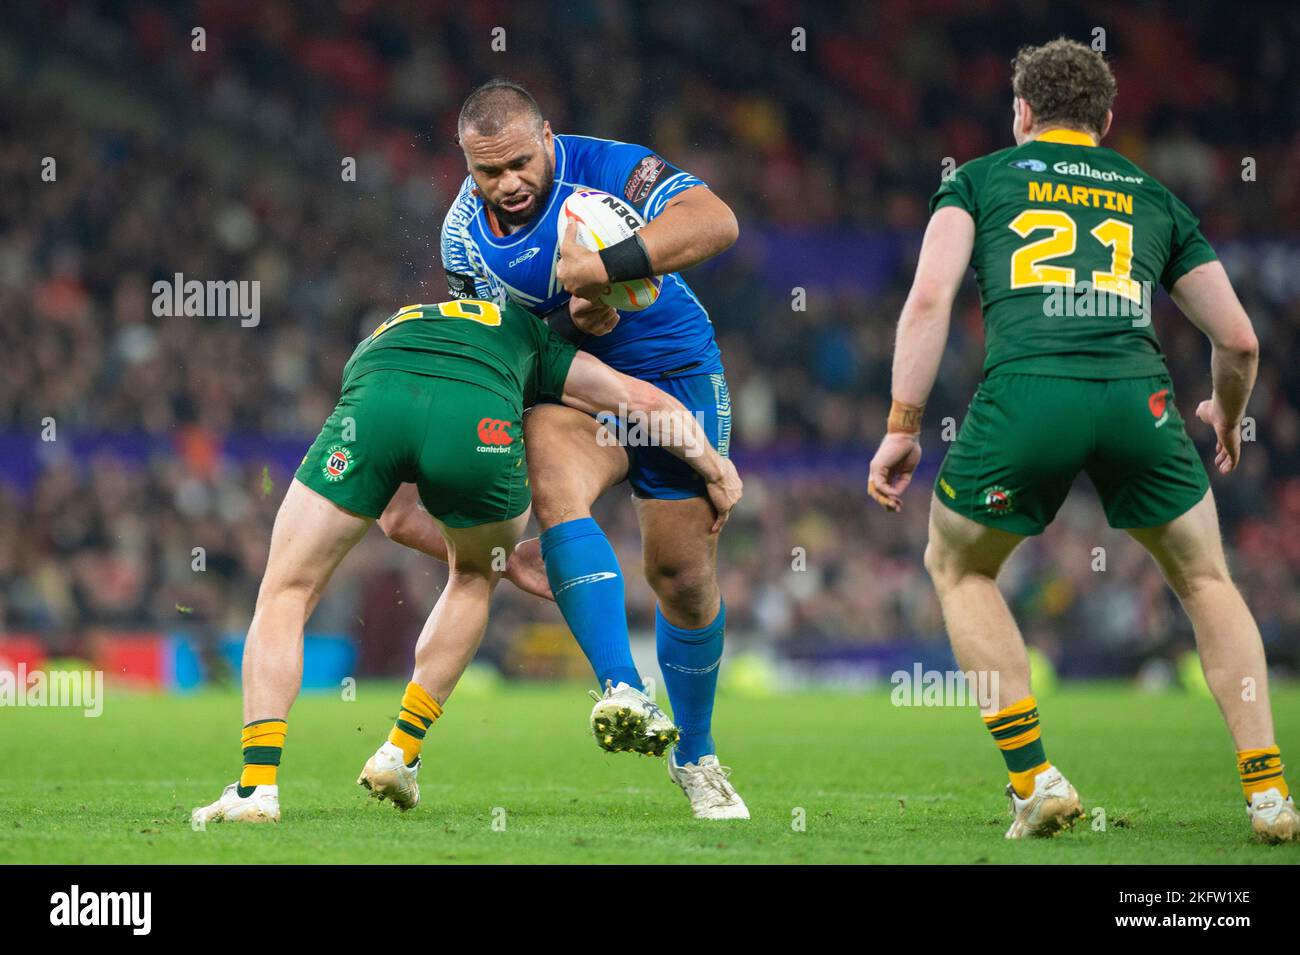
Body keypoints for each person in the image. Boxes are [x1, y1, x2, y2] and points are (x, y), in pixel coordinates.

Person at [867, 37, 1297, 843]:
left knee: (959, 564)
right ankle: (1269, 792)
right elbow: (1238, 339)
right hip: (1142, 397)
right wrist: (1227, 415)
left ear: (1023, 112)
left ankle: (1035, 780)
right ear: (1105, 119)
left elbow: (927, 302)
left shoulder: (981, 178)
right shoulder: (1153, 194)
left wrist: (902, 425)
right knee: (1207, 578)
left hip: (1027, 395)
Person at [192, 298, 741, 825]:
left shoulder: (398, 322)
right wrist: (715, 469)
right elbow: (643, 401)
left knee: (286, 592)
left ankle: (255, 787)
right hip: (476, 420)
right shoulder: (535, 338)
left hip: (379, 396)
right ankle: (400, 752)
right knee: (471, 576)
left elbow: (398, 520)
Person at [384, 78, 748, 819]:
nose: (509, 183)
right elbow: (505, 342)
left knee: (679, 573)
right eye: (490, 172)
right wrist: (577, 323)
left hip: (677, 374)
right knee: (555, 486)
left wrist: (604, 271)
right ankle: (622, 686)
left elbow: (717, 222)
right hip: (579, 390)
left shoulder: (611, 167)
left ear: (547, 138)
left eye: (521, 162)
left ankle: (698, 755)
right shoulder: (462, 235)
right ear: (466, 165)